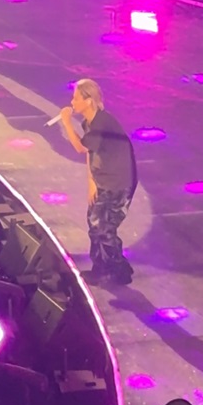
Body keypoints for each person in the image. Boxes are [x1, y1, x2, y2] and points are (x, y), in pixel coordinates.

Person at [61, 79, 137, 285]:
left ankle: (118, 269)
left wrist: (66, 122)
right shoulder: (90, 122)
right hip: (104, 179)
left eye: (76, 98)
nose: (72, 102)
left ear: (88, 101)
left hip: (118, 183)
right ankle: (102, 268)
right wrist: (92, 182)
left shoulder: (102, 122)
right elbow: (91, 152)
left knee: (104, 228)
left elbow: (81, 148)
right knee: (95, 223)